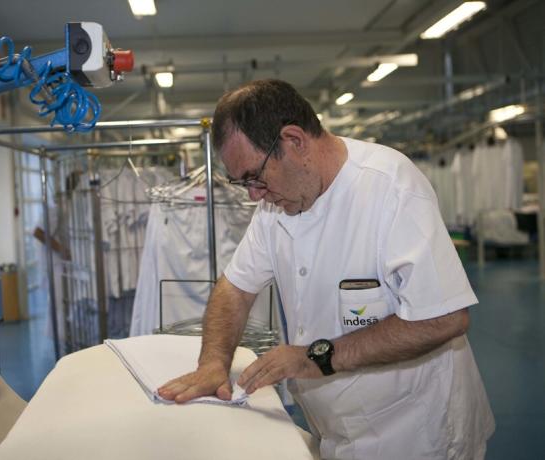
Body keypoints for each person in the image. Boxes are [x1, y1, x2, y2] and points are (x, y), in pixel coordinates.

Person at [158, 79, 494, 459]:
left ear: (295, 141)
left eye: (254, 176)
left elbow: (444, 318)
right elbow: (236, 288)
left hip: (416, 431)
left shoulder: (390, 187)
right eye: (242, 183)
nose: (252, 194)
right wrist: (213, 364)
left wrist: (315, 356)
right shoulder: (276, 206)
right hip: (334, 428)